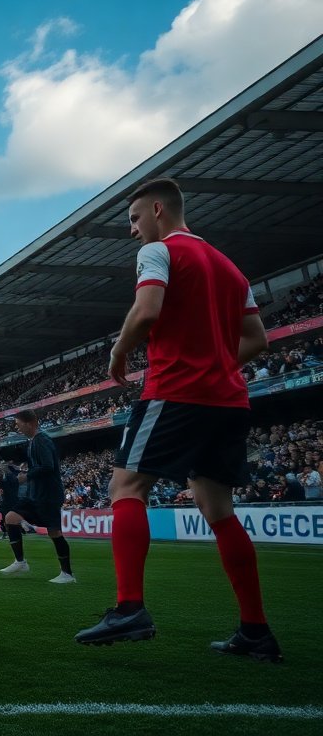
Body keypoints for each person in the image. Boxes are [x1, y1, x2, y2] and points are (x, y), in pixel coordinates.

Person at [74, 178, 280, 661]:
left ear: (159, 210)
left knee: (126, 488)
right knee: (219, 510)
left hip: (175, 391)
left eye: (134, 218)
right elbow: (258, 340)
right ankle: (255, 632)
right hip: (228, 401)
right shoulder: (232, 270)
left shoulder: (158, 252)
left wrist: (119, 351)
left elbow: (147, 311)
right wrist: (216, 362)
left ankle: (130, 609)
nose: (132, 230)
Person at [0, 410, 74, 583]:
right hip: (35, 495)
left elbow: (48, 466)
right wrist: (20, 470)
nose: (17, 428)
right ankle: (20, 562)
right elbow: (39, 466)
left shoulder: (42, 440)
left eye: (18, 424)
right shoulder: (33, 441)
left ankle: (67, 574)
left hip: (48, 495)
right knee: (10, 517)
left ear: (29, 423)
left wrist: (27, 476)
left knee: (54, 532)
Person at [0, 458, 19, 541]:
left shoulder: (11, 476)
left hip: (10, 501)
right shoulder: (6, 477)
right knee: (5, 519)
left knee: (10, 519)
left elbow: (2, 482)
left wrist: (3, 471)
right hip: (7, 501)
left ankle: (12, 533)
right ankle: (6, 533)